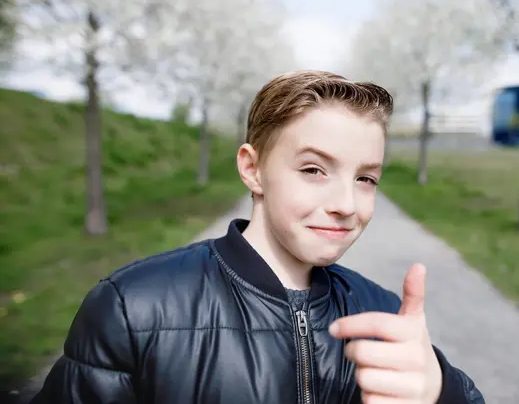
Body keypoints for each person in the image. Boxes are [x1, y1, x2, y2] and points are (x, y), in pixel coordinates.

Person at [30, 71, 485, 404]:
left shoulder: (383, 317)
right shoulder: (134, 308)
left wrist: (442, 392)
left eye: (366, 179)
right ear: (253, 169)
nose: (347, 203)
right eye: (313, 170)